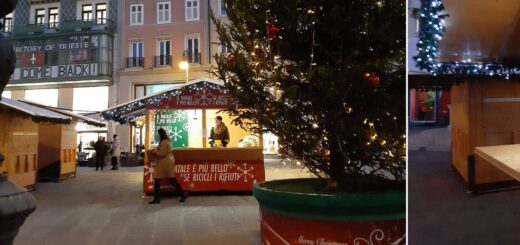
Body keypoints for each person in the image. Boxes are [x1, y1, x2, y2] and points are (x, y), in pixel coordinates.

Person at [149, 128, 188, 204]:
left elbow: (162, 153)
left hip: (164, 163)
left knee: (158, 179)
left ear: (160, 134)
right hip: (167, 162)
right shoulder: (167, 141)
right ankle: (182, 195)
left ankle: (157, 199)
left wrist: (154, 151)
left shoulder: (164, 142)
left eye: (158, 134)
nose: (158, 135)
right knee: (171, 179)